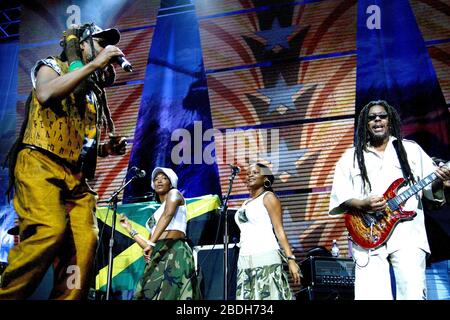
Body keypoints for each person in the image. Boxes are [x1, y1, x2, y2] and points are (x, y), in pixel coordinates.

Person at [0, 23, 127, 299]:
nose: (105, 48)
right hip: (40, 164)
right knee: (50, 230)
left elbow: (78, 143)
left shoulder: (91, 92)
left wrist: (106, 149)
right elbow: (45, 94)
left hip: (76, 177)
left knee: (85, 245)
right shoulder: (52, 66)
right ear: (81, 45)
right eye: (99, 42)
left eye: (108, 45)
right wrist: (93, 66)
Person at [328, 100, 450, 300]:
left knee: (412, 293)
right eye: (371, 117)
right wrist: (363, 204)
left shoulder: (411, 150)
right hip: (368, 232)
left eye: (382, 116)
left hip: (408, 232)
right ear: (365, 124)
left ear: (390, 120)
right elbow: (340, 196)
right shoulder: (351, 156)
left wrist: (440, 181)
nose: (377, 120)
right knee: (371, 295)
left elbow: (431, 190)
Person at [119, 167, 200, 300]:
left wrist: (150, 244)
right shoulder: (154, 217)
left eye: (164, 178)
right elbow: (148, 246)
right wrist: (129, 229)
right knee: (146, 293)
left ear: (171, 182)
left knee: (173, 293)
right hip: (158, 252)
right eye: (156, 179)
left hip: (175, 249)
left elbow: (168, 214)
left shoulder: (175, 194)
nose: (159, 181)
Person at [234, 163, 301, 300]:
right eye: (248, 173)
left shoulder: (269, 197)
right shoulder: (245, 203)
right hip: (245, 259)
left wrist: (290, 259)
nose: (250, 175)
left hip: (266, 257)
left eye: (255, 172)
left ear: (265, 178)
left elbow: (279, 230)